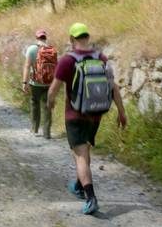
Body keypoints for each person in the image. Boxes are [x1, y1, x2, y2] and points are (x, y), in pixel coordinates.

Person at [47, 22, 127, 215]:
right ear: (87, 37)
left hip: (74, 115)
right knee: (85, 151)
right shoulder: (101, 58)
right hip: (96, 115)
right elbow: (113, 87)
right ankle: (78, 185)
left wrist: (49, 103)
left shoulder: (68, 60)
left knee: (80, 156)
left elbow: (54, 88)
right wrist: (122, 112)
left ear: (72, 39)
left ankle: (91, 197)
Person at [21, 29, 56, 138]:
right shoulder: (52, 50)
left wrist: (25, 82)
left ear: (36, 38)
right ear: (45, 37)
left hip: (35, 82)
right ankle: (47, 133)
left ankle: (34, 128)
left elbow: (27, 66)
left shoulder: (31, 49)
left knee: (34, 103)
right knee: (47, 106)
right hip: (49, 83)